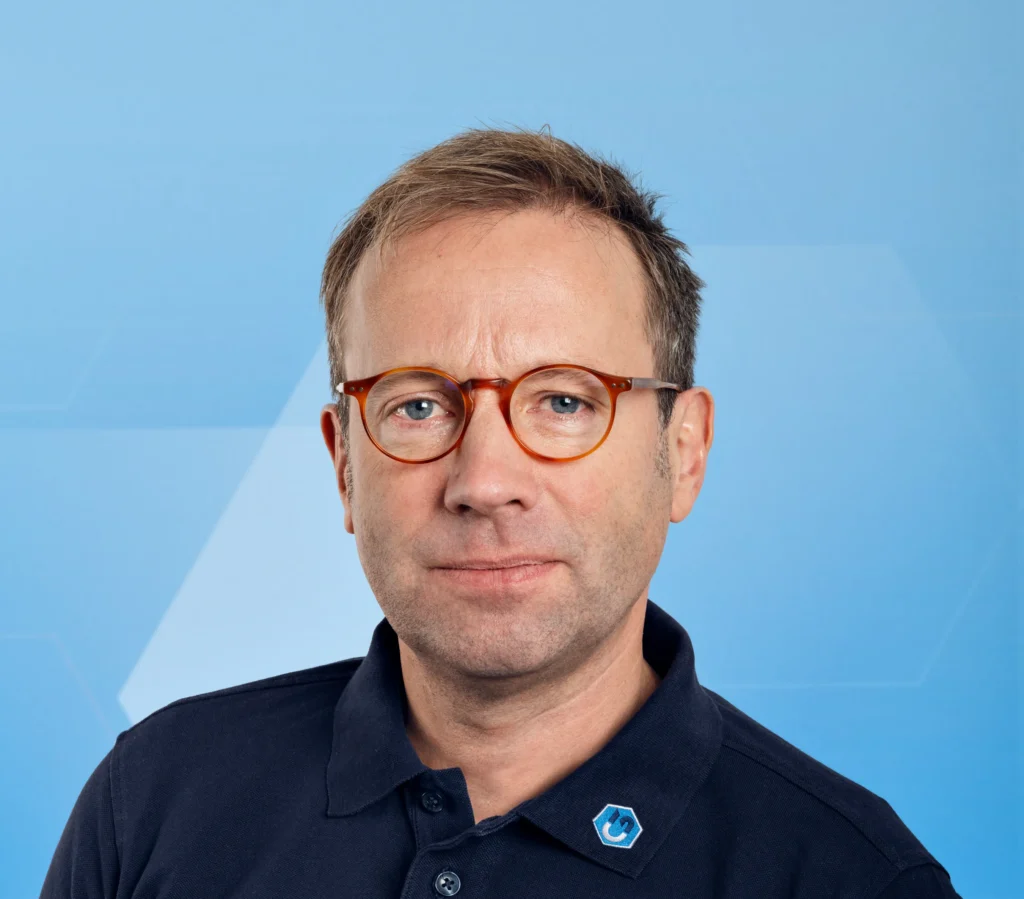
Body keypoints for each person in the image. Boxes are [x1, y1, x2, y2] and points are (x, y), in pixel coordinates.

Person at [40, 126, 961, 898]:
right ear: (344, 464)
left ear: (683, 452)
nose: (484, 481)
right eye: (417, 404)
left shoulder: (850, 877)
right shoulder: (154, 801)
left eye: (564, 400)